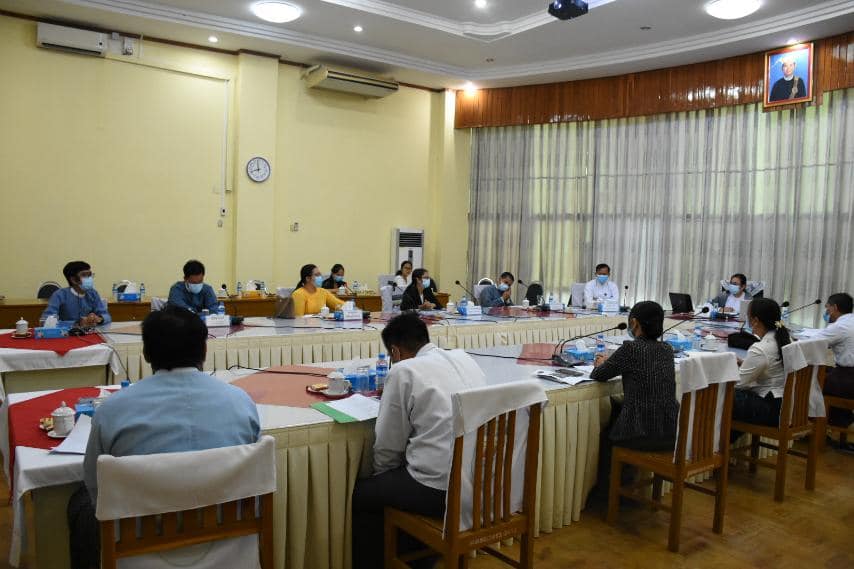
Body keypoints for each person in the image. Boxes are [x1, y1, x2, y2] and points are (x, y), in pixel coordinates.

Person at [68, 307, 260, 569]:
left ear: (146, 353)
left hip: (139, 546)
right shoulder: (241, 402)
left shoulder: (112, 410)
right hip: (229, 541)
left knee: (79, 500)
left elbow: (96, 487)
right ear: (204, 350)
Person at [351, 312, 486, 569]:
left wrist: (383, 476)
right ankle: (423, 557)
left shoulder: (403, 370)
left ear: (395, 351)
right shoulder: (464, 357)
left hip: (438, 489)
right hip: (478, 482)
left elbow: (388, 447)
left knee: (361, 495)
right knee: (396, 487)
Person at [589, 301, 680, 493]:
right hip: (669, 432)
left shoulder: (631, 349)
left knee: (605, 434)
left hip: (639, 433)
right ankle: (627, 487)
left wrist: (600, 362)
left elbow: (599, 375)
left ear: (634, 323)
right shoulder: (667, 350)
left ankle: (609, 493)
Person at [731, 298, 791, 429]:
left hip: (771, 409)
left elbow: (739, 384)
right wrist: (745, 363)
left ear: (755, 321)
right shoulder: (784, 338)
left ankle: (717, 440)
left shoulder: (761, 348)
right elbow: (772, 366)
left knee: (722, 394)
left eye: (748, 317)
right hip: (786, 404)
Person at [814, 293, 854, 431]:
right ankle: (840, 420)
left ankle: (816, 427)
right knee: (825, 371)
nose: (826, 312)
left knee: (810, 380)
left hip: (849, 378)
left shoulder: (840, 326)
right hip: (848, 374)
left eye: (828, 308)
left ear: (835, 307)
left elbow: (813, 342)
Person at [41, 261, 111, 327]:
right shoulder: (60, 295)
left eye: (89, 275)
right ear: (73, 280)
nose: (89, 278)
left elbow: (107, 316)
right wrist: (77, 323)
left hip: (89, 332)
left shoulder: (93, 293)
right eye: (84, 275)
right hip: (66, 333)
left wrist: (99, 319)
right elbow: (45, 321)